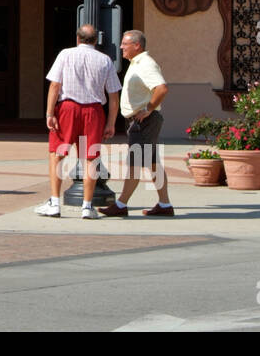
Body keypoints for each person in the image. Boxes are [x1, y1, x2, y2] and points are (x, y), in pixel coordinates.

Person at [36, 24, 120, 219]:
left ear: (78, 38)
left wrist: (50, 113)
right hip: (94, 110)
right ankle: (87, 206)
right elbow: (114, 95)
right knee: (91, 158)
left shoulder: (65, 54)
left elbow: (55, 85)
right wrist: (111, 122)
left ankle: (55, 203)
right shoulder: (105, 60)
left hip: (68, 108)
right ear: (96, 40)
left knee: (57, 154)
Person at [98, 30, 174, 216]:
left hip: (144, 122)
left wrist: (148, 108)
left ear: (137, 45)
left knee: (134, 163)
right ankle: (165, 205)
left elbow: (162, 88)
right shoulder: (136, 63)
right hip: (143, 121)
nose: (121, 47)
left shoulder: (146, 64)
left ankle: (121, 205)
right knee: (153, 163)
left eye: (125, 43)